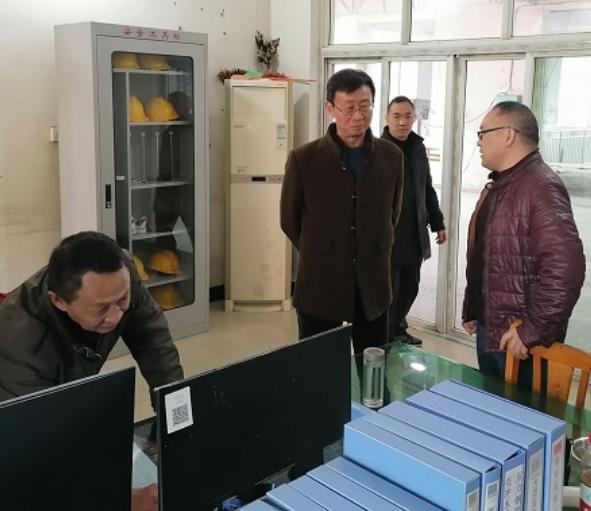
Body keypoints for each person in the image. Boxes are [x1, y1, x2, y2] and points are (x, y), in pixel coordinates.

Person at [280, 68, 404, 354]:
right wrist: (322, 248)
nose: (358, 116)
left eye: (365, 106)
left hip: (373, 283)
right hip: (320, 280)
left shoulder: (391, 157)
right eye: (349, 108)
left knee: (374, 365)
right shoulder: (304, 159)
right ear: (330, 108)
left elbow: (392, 214)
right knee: (319, 367)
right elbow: (289, 220)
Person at [462, 101, 585, 384]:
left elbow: (566, 269)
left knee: (518, 410)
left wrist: (532, 330)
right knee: (492, 405)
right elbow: (487, 254)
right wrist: (474, 308)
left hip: (519, 341)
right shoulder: (501, 184)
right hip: (493, 329)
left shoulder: (540, 186)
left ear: (508, 135)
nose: (478, 142)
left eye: (482, 133)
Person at [381, 96, 447, 345]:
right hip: (389, 235)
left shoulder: (418, 148)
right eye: (396, 116)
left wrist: (437, 222)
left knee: (410, 286)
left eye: (407, 116)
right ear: (387, 119)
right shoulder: (378, 150)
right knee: (389, 290)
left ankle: (398, 329)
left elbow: (426, 187)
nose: (402, 122)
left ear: (414, 118)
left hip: (414, 232)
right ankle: (385, 335)